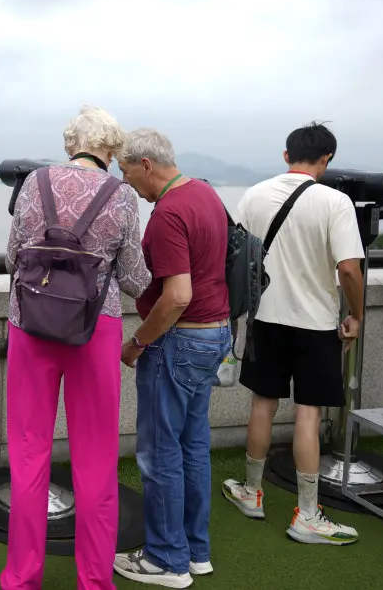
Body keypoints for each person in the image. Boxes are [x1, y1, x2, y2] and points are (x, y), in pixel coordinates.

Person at [0, 106, 151, 590]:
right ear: (112, 149)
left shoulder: (34, 183)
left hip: (31, 323)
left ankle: (22, 577)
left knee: (27, 455)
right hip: (95, 330)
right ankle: (94, 581)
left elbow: (12, 257)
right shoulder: (123, 196)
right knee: (96, 460)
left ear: (71, 144)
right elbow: (133, 280)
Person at [220, 123, 364, 545]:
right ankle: (307, 513)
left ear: (286, 155)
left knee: (263, 403)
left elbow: (236, 253)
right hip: (316, 323)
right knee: (308, 413)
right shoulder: (336, 202)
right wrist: (356, 315)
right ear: (327, 159)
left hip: (265, 318)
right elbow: (349, 269)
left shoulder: (254, 195)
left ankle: (250, 492)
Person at [113, 129, 232, 588]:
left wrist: (138, 342)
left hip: (178, 342)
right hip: (215, 335)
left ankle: (166, 560)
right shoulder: (204, 192)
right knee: (193, 447)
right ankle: (194, 550)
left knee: (159, 452)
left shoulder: (167, 214)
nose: (127, 184)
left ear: (145, 164)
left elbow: (177, 295)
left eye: (126, 173)